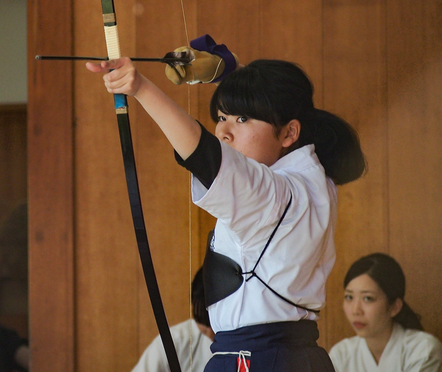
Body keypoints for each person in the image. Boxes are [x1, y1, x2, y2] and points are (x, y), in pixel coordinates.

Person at [86, 35, 366, 372]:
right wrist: (226, 69)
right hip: (286, 357)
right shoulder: (312, 180)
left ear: (290, 133)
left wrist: (140, 86)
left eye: (242, 120)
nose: (224, 132)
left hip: (257, 360)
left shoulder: (275, 193)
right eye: (221, 117)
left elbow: (203, 154)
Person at [329, 253, 442, 371]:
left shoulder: (423, 350)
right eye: (349, 297)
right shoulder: (341, 354)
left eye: (368, 298)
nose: (356, 310)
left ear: (395, 307)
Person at [131, 267, 213, 372]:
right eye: (204, 324)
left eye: (214, 325)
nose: (210, 334)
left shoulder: (237, 342)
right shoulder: (176, 340)